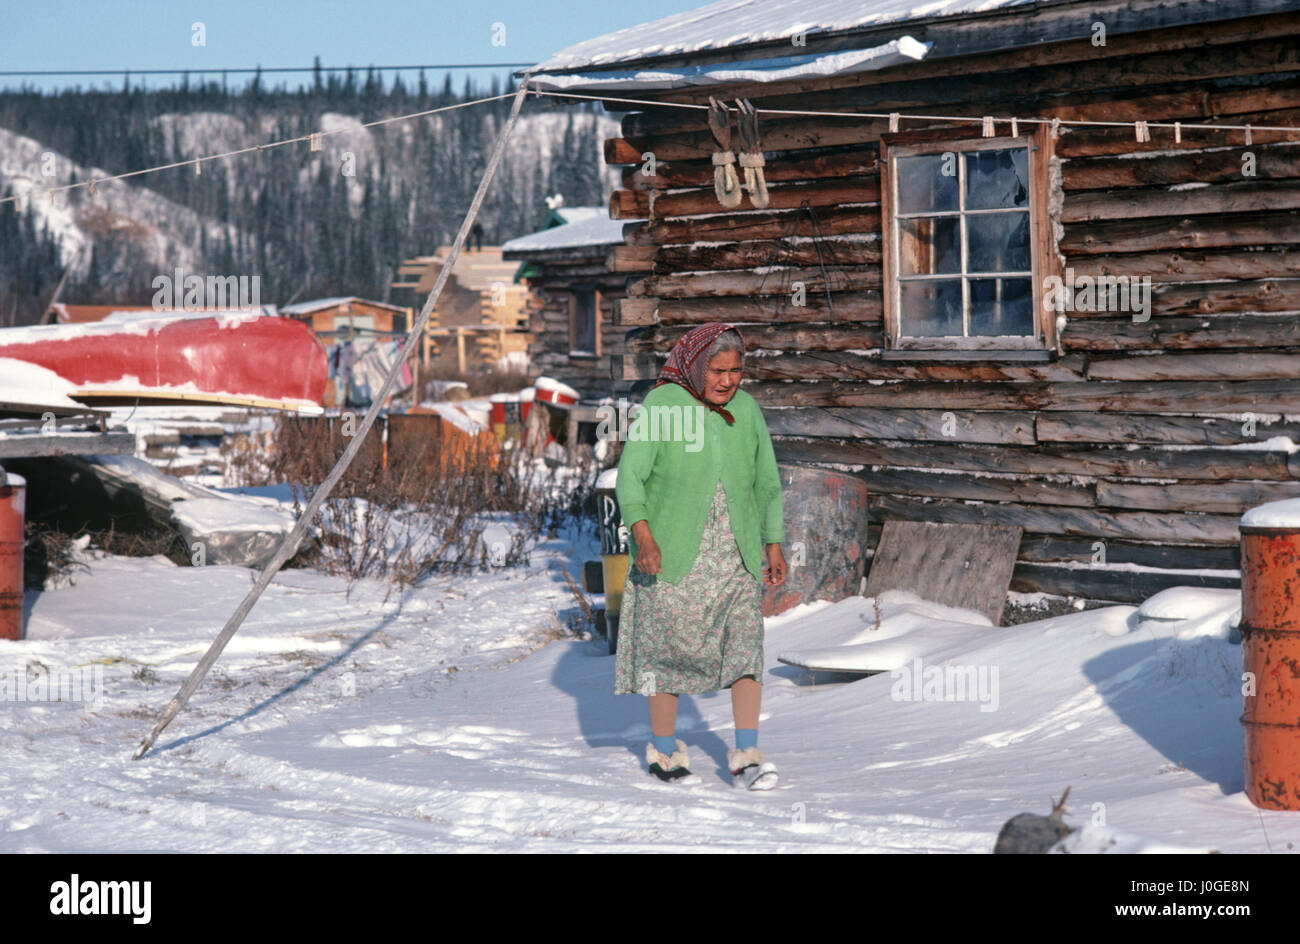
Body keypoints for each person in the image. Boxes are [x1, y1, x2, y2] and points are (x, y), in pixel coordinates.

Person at [613, 322, 786, 789]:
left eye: (736, 370)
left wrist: (773, 542)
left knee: (745, 649)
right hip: (671, 553)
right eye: (717, 370)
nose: (728, 381)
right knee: (666, 653)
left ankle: (747, 755)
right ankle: (665, 752)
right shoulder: (663, 405)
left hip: (735, 554)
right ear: (694, 366)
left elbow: (766, 481)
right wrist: (643, 536)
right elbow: (630, 478)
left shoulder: (746, 410)